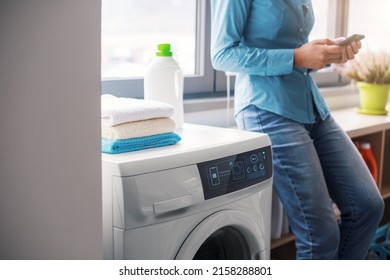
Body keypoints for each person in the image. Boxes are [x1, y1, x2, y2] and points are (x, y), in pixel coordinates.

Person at [210, 0, 384, 259]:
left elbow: (291, 45)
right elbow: (222, 54)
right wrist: (297, 56)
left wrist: (326, 53)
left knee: (368, 205)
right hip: (267, 107)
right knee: (321, 234)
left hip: (311, 106)